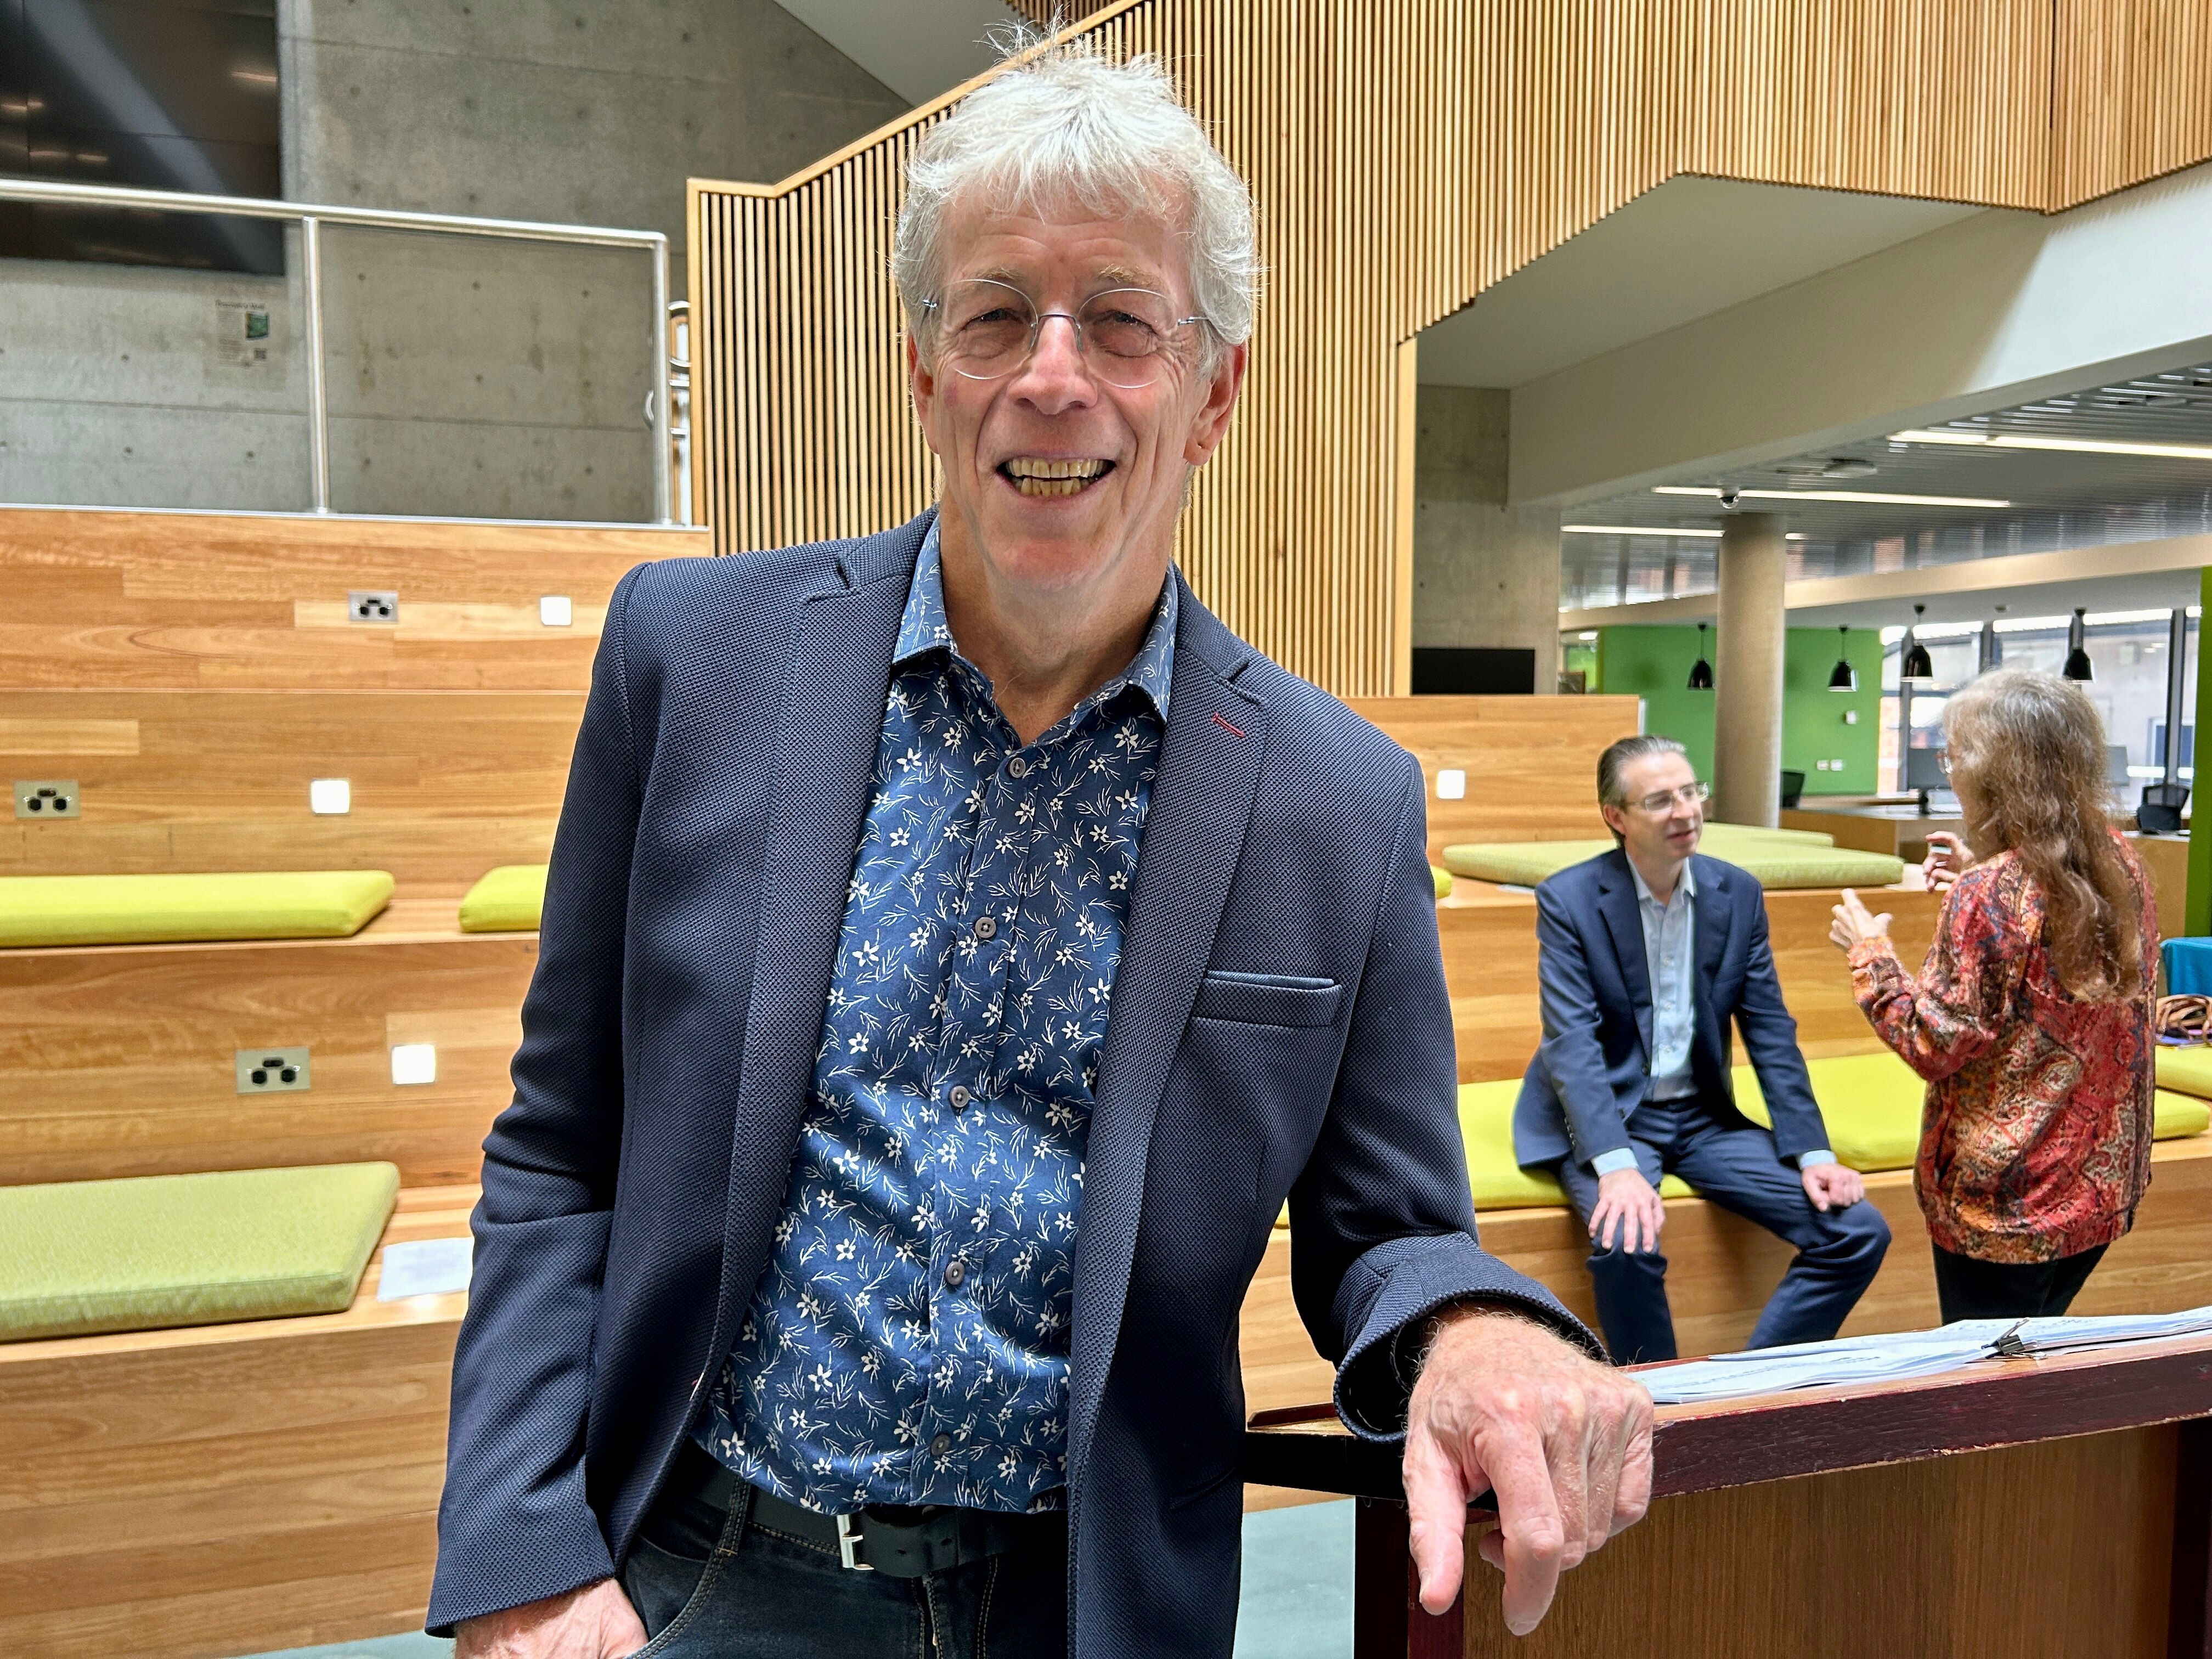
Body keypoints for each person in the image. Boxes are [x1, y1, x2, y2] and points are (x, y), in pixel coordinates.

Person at [426, 41, 1651, 1659]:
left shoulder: (1335, 801)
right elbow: (563, 1140)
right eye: (996, 313)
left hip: (1079, 1608)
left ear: (1214, 391)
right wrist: (523, 1549)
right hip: (705, 1575)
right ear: (927, 366)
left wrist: (1483, 1328)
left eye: (1120, 321)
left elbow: (1391, 1225)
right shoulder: (690, 658)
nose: (1051, 375)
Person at [1514, 734, 1891, 1364]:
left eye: (1691, 792)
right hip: (1613, 1115)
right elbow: (1571, 1044)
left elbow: (1770, 1028)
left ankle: (1748, 1388)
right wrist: (1616, 1165)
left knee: (1856, 1232)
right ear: (1617, 817)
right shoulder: (1570, 899)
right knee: (1626, 1241)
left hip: (1703, 1118)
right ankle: (1660, 1406)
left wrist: (1813, 1151)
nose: (1686, 811)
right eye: (1661, 800)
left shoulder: (1736, 892)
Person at [1830, 669, 2158, 1323]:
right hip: (2100, 1188)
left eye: (1953, 756)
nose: (1949, 773)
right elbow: (2053, 960)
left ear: (1992, 770)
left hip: (2007, 1204)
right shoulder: (2122, 861)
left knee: (1984, 1396)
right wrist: (1978, 873)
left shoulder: (1992, 895)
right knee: (2032, 1368)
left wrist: (1869, 954)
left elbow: (1934, 1040)